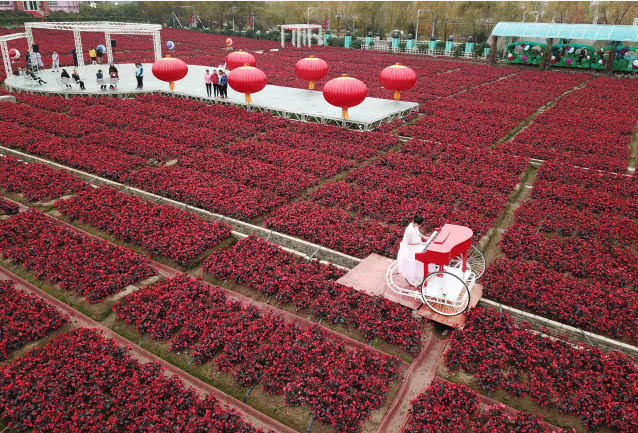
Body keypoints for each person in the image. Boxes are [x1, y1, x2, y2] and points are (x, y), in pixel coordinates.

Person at [397, 214, 428, 287]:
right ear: (417, 223)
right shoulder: (409, 230)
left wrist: (424, 237)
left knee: (424, 251)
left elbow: (418, 232)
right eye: (420, 224)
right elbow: (409, 243)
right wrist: (420, 243)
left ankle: (422, 273)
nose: (420, 226)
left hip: (416, 243)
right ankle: (415, 276)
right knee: (418, 257)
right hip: (410, 248)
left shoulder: (414, 225)